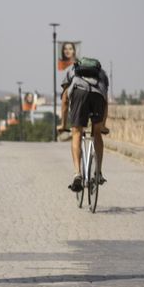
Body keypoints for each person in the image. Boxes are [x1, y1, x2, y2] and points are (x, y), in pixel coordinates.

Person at [58, 59, 109, 191]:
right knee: (97, 133)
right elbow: (105, 100)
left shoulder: (72, 70)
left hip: (79, 93)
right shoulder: (101, 73)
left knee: (77, 132)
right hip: (98, 96)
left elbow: (64, 99)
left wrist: (62, 124)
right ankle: (98, 173)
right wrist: (102, 125)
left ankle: (77, 174)